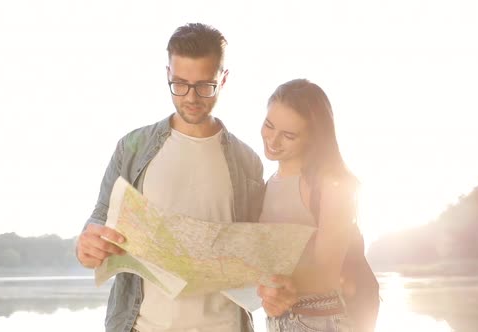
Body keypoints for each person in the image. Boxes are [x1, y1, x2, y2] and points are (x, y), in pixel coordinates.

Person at [75, 23, 264, 332]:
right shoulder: (132, 147)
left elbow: (259, 253)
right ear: (167, 74)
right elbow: (100, 217)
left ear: (224, 79)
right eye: (180, 84)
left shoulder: (248, 162)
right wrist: (87, 245)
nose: (191, 97)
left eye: (205, 86)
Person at [256, 79, 359, 332]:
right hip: (278, 322)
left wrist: (279, 286)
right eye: (269, 126)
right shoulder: (268, 183)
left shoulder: (330, 185)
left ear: (314, 137)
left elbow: (327, 272)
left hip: (320, 322)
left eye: (289, 135)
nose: (273, 140)